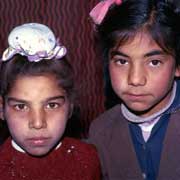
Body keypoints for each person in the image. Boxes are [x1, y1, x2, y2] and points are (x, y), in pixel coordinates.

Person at [88, 0, 180, 179]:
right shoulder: (100, 132)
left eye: (154, 62)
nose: (135, 79)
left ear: (178, 65)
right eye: (122, 61)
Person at [0, 23, 101, 180]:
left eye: (51, 105)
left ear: (70, 106)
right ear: (2, 109)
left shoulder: (88, 159)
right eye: (21, 106)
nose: (38, 123)